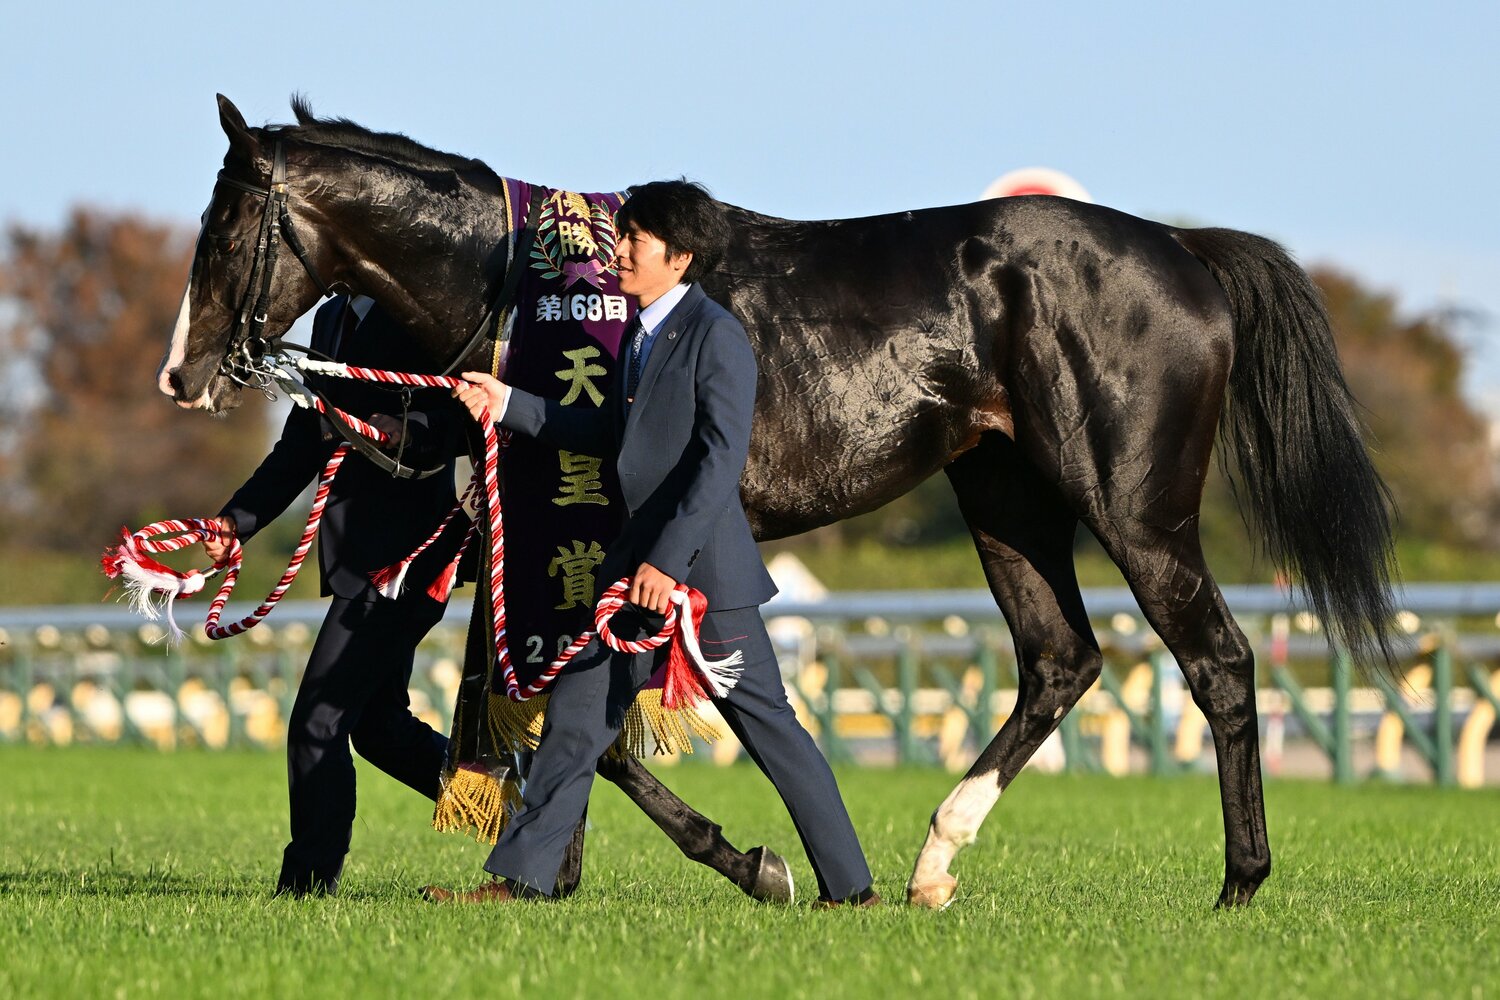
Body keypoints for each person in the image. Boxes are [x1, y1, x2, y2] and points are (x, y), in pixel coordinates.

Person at [428, 180, 877, 907]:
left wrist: (668, 564)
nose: (621, 250)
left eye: (636, 238)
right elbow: (605, 434)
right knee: (575, 722)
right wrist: (505, 402)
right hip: (631, 583)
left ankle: (853, 891)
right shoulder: (638, 336)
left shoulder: (715, 335)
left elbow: (718, 461)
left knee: (770, 731)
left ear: (682, 254)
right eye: (624, 233)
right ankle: (522, 883)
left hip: (705, 586)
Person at [202, 294, 461, 897]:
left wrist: (405, 432)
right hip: (357, 560)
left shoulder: (425, 304)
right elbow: (302, 442)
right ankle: (526, 811)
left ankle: (307, 884)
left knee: (317, 722)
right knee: (379, 728)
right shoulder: (332, 318)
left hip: (408, 559)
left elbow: (464, 416)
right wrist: (234, 522)